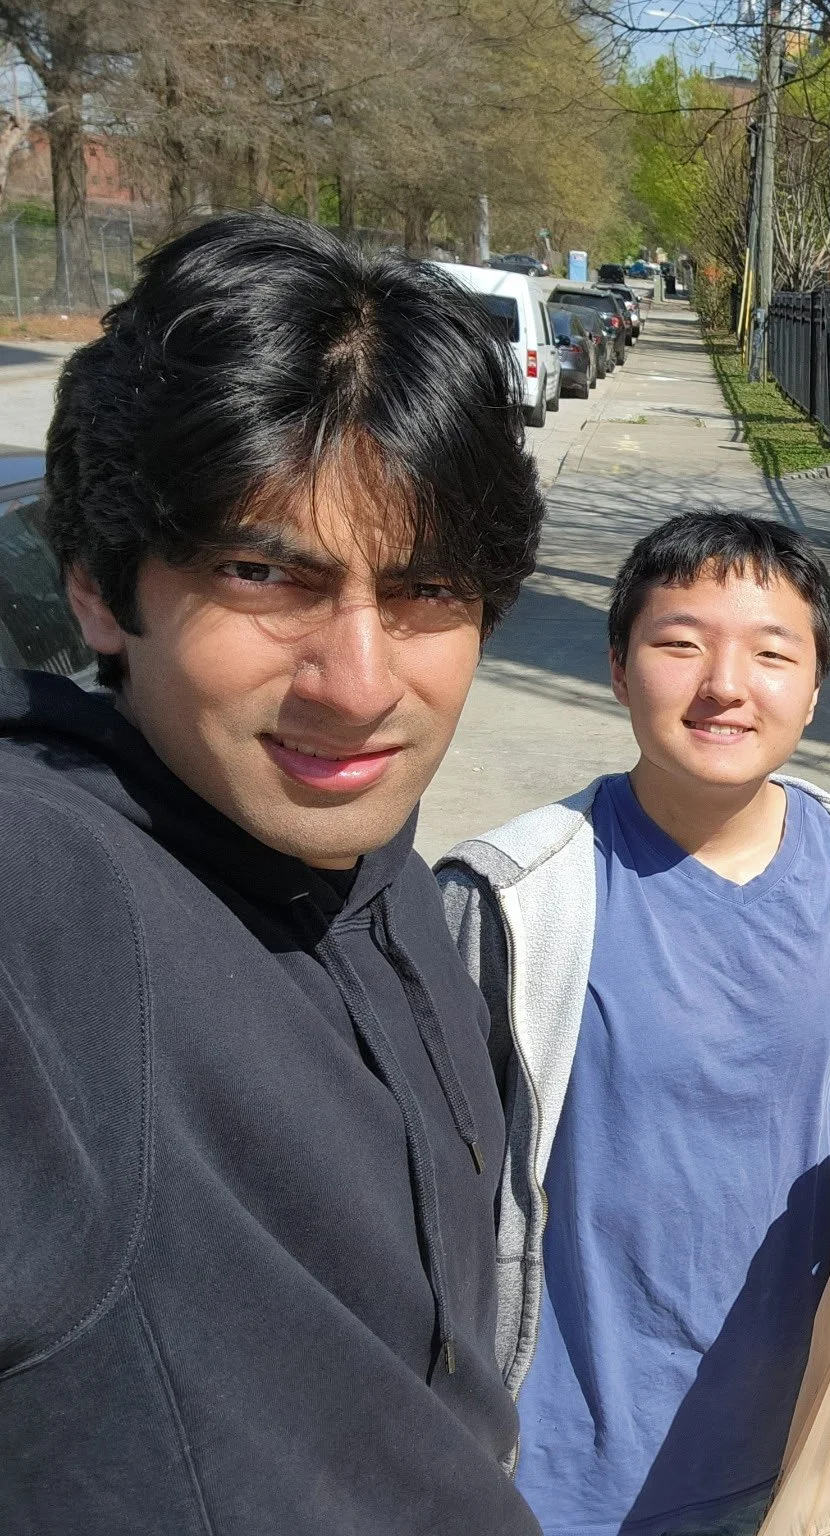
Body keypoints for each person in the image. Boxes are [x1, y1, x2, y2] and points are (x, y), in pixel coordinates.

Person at [0, 214, 546, 1530]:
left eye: (424, 591)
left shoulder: (381, 876)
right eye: (264, 574)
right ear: (97, 585)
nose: (358, 686)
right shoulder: (53, 903)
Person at [437, 513, 830, 1536]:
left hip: (802, 1444)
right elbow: (431, 1182)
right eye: (679, 644)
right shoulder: (509, 896)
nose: (724, 684)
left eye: (772, 653)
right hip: (556, 1471)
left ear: (815, 686)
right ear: (617, 668)